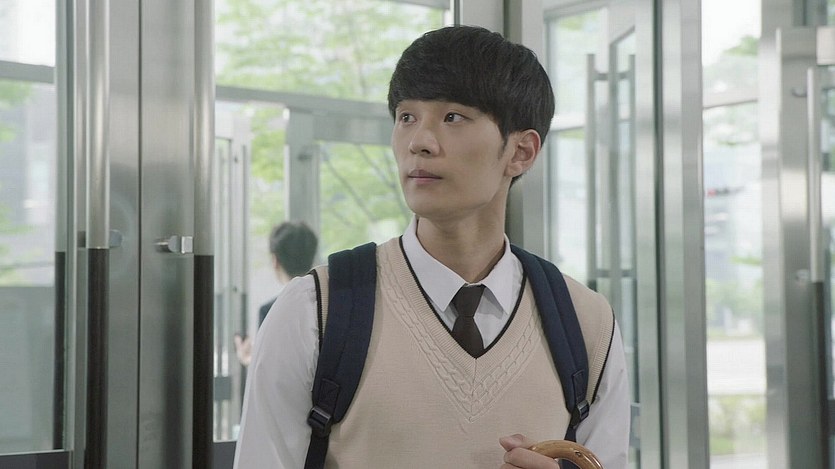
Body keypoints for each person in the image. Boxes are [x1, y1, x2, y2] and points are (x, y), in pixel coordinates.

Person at [234, 25, 629, 469]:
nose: (419, 142)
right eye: (406, 117)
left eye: (453, 117)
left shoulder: (586, 323)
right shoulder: (316, 311)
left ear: (521, 152)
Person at [234, 221, 318, 366]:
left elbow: (269, 367)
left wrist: (249, 359)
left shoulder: (270, 310)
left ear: (275, 261)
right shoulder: (329, 303)